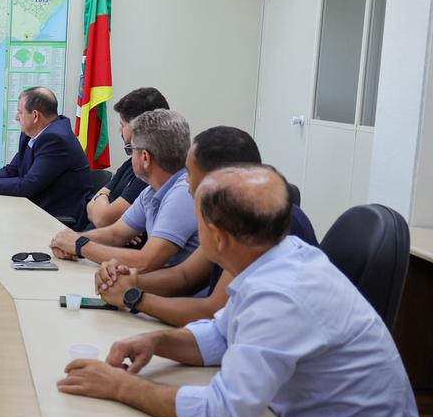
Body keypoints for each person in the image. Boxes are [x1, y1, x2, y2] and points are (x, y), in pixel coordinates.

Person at [58, 166, 423, 417]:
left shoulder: (280, 294)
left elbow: (222, 414)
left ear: (215, 236)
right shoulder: (279, 257)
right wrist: (156, 340)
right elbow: (220, 336)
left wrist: (120, 386)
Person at [92, 126, 317, 326]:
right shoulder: (232, 214)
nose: (186, 182)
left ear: (218, 180)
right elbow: (185, 276)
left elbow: (214, 312)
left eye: (191, 174)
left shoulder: (266, 222)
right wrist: (130, 281)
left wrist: (133, 296)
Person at [50, 109, 197, 271]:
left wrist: (80, 246)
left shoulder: (183, 194)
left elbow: (146, 261)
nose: (130, 155)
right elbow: (115, 235)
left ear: (145, 158)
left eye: (131, 149)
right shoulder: (151, 191)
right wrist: (70, 240)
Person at [0, 86, 92, 222]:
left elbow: (28, 185)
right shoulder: (32, 134)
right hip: (35, 208)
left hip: (57, 216)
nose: (17, 117)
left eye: (20, 112)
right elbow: (13, 170)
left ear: (35, 115)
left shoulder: (56, 139)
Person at [83, 87, 170, 229]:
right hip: (97, 239)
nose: (120, 130)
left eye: (122, 125)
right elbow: (92, 208)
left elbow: (101, 219)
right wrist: (102, 199)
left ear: (139, 128)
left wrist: (102, 201)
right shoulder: (132, 162)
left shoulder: (150, 171)